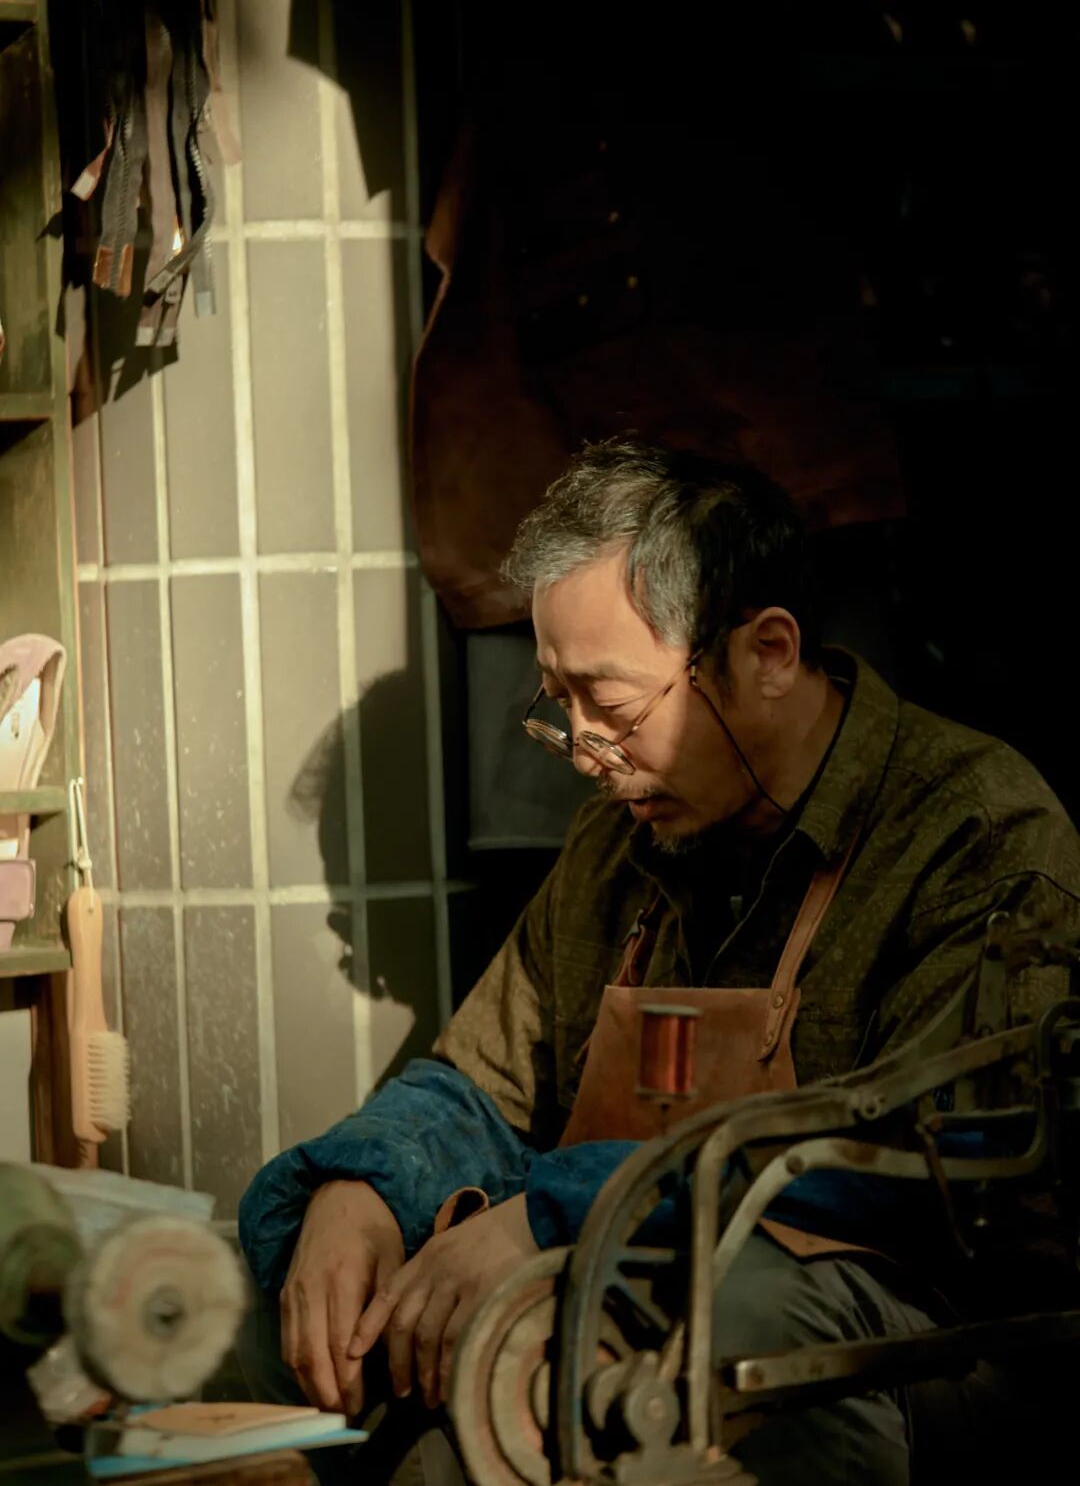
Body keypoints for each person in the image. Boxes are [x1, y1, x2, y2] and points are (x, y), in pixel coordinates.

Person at [239, 441, 1080, 1484]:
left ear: (769, 652)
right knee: (304, 1304)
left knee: (721, 1328)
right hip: (626, 1297)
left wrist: (568, 1209)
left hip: (939, 1346)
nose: (587, 753)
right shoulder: (616, 842)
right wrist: (362, 1185)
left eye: (615, 706)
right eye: (561, 707)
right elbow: (482, 1084)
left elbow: (937, 1174)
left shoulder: (974, 828)